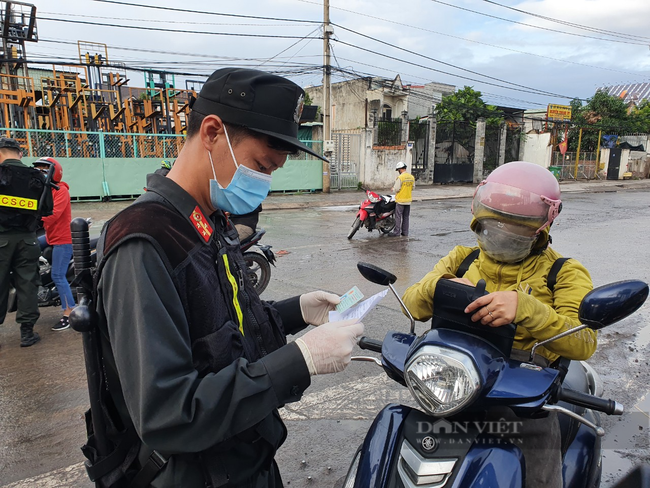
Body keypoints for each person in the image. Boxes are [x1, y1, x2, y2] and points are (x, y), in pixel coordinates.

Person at [92, 68, 364, 487]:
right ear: (213, 132)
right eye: (260, 165)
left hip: (244, 459)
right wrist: (301, 360)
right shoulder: (144, 241)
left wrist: (298, 311)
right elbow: (167, 415)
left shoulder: (208, 221)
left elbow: (224, 329)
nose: (264, 183)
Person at [401, 161, 596, 488]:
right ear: (478, 220)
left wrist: (527, 308)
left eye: (515, 230)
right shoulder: (462, 258)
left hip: (524, 403)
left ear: (540, 230)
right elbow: (410, 305)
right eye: (492, 226)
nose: (501, 236)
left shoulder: (563, 272)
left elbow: (584, 341)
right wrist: (439, 287)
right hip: (454, 386)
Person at [0, 137, 51, 347]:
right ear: (19, 153)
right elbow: (47, 209)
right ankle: (27, 333)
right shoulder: (37, 176)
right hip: (28, 240)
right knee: (28, 284)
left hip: (1, 238)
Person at [33, 157, 76, 331]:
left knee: (58, 275)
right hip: (51, 237)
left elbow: (53, 215)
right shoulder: (46, 191)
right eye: (39, 170)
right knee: (30, 246)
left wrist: (34, 221)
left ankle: (69, 313)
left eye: (44, 170)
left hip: (63, 239)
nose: (41, 173)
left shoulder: (61, 191)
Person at [389, 161, 415, 237]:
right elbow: (413, 187)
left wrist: (393, 189)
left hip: (400, 201)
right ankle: (405, 232)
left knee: (398, 217)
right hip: (408, 201)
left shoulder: (400, 177)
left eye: (398, 170)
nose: (398, 172)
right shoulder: (411, 177)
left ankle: (396, 233)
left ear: (400, 169)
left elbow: (397, 188)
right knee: (406, 217)